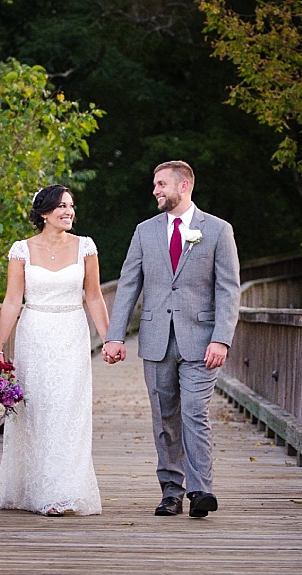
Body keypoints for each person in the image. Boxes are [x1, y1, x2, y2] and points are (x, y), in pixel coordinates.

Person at [103, 160, 241, 519]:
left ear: (184, 186)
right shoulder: (144, 232)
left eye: (161, 184)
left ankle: (200, 490)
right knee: (165, 417)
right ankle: (170, 490)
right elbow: (128, 284)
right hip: (155, 339)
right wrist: (115, 336)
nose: (155, 190)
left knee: (195, 413)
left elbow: (229, 289)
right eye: (154, 184)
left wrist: (221, 339)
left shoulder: (217, 230)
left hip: (202, 339)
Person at [0, 185, 109, 516]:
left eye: (71, 206)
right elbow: (13, 299)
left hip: (71, 332)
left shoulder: (86, 247)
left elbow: (94, 295)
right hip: (35, 333)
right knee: (37, 408)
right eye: (61, 206)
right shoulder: (21, 250)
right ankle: (35, 487)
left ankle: (64, 492)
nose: (69, 211)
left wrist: (110, 338)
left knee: (68, 409)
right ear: (44, 213)